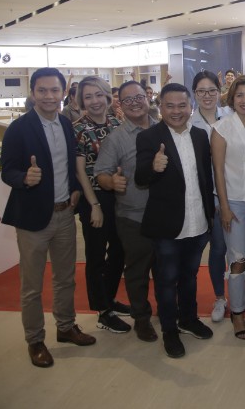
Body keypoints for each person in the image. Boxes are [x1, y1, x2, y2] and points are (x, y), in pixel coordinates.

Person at [1, 67, 96, 368]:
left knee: (65, 278)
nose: (48, 96)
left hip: (64, 213)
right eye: (42, 90)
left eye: (54, 90)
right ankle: (35, 340)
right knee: (32, 286)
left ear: (63, 93)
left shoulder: (65, 124)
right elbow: (7, 170)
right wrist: (23, 177)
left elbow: (67, 165)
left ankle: (65, 327)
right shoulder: (19, 129)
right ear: (32, 93)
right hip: (32, 218)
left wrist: (74, 189)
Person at [135, 83, 216, 358]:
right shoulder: (149, 137)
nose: (176, 111)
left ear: (190, 106)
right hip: (168, 225)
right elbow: (140, 177)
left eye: (182, 105)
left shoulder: (200, 136)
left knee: (190, 276)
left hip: (198, 221)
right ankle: (169, 330)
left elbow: (204, 177)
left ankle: (188, 319)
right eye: (169, 106)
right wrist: (153, 167)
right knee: (167, 280)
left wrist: (211, 214)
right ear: (160, 107)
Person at [94, 80, 159, 343]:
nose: (135, 103)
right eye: (128, 100)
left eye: (139, 97)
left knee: (165, 268)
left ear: (147, 98)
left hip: (165, 214)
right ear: (120, 104)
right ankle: (142, 319)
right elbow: (101, 173)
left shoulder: (162, 128)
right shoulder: (116, 139)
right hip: (133, 216)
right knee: (138, 271)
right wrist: (112, 182)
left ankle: (168, 311)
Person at [72, 76, 129, 334]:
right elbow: (81, 171)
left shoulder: (117, 123)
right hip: (94, 198)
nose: (94, 101)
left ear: (107, 96)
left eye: (98, 95)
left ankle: (110, 298)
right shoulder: (78, 129)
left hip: (118, 196)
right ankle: (102, 311)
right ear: (81, 101)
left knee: (119, 250)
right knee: (96, 255)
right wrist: (94, 204)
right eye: (88, 97)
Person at [210, 75, 245, 340]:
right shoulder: (222, 128)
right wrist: (224, 206)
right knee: (238, 260)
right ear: (232, 98)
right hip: (234, 202)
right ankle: (237, 312)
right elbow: (218, 171)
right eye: (240, 95)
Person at [190, 70, 228, 324]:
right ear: (194, 94)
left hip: (234, 192)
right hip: (205, 196)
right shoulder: (188, 123)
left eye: (212, 90)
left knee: (237, 249)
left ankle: (242, 292)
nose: (207, 96)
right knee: (217, 249)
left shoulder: (230, 116)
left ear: (219, 91)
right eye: (201, 91)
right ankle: (220, 297)